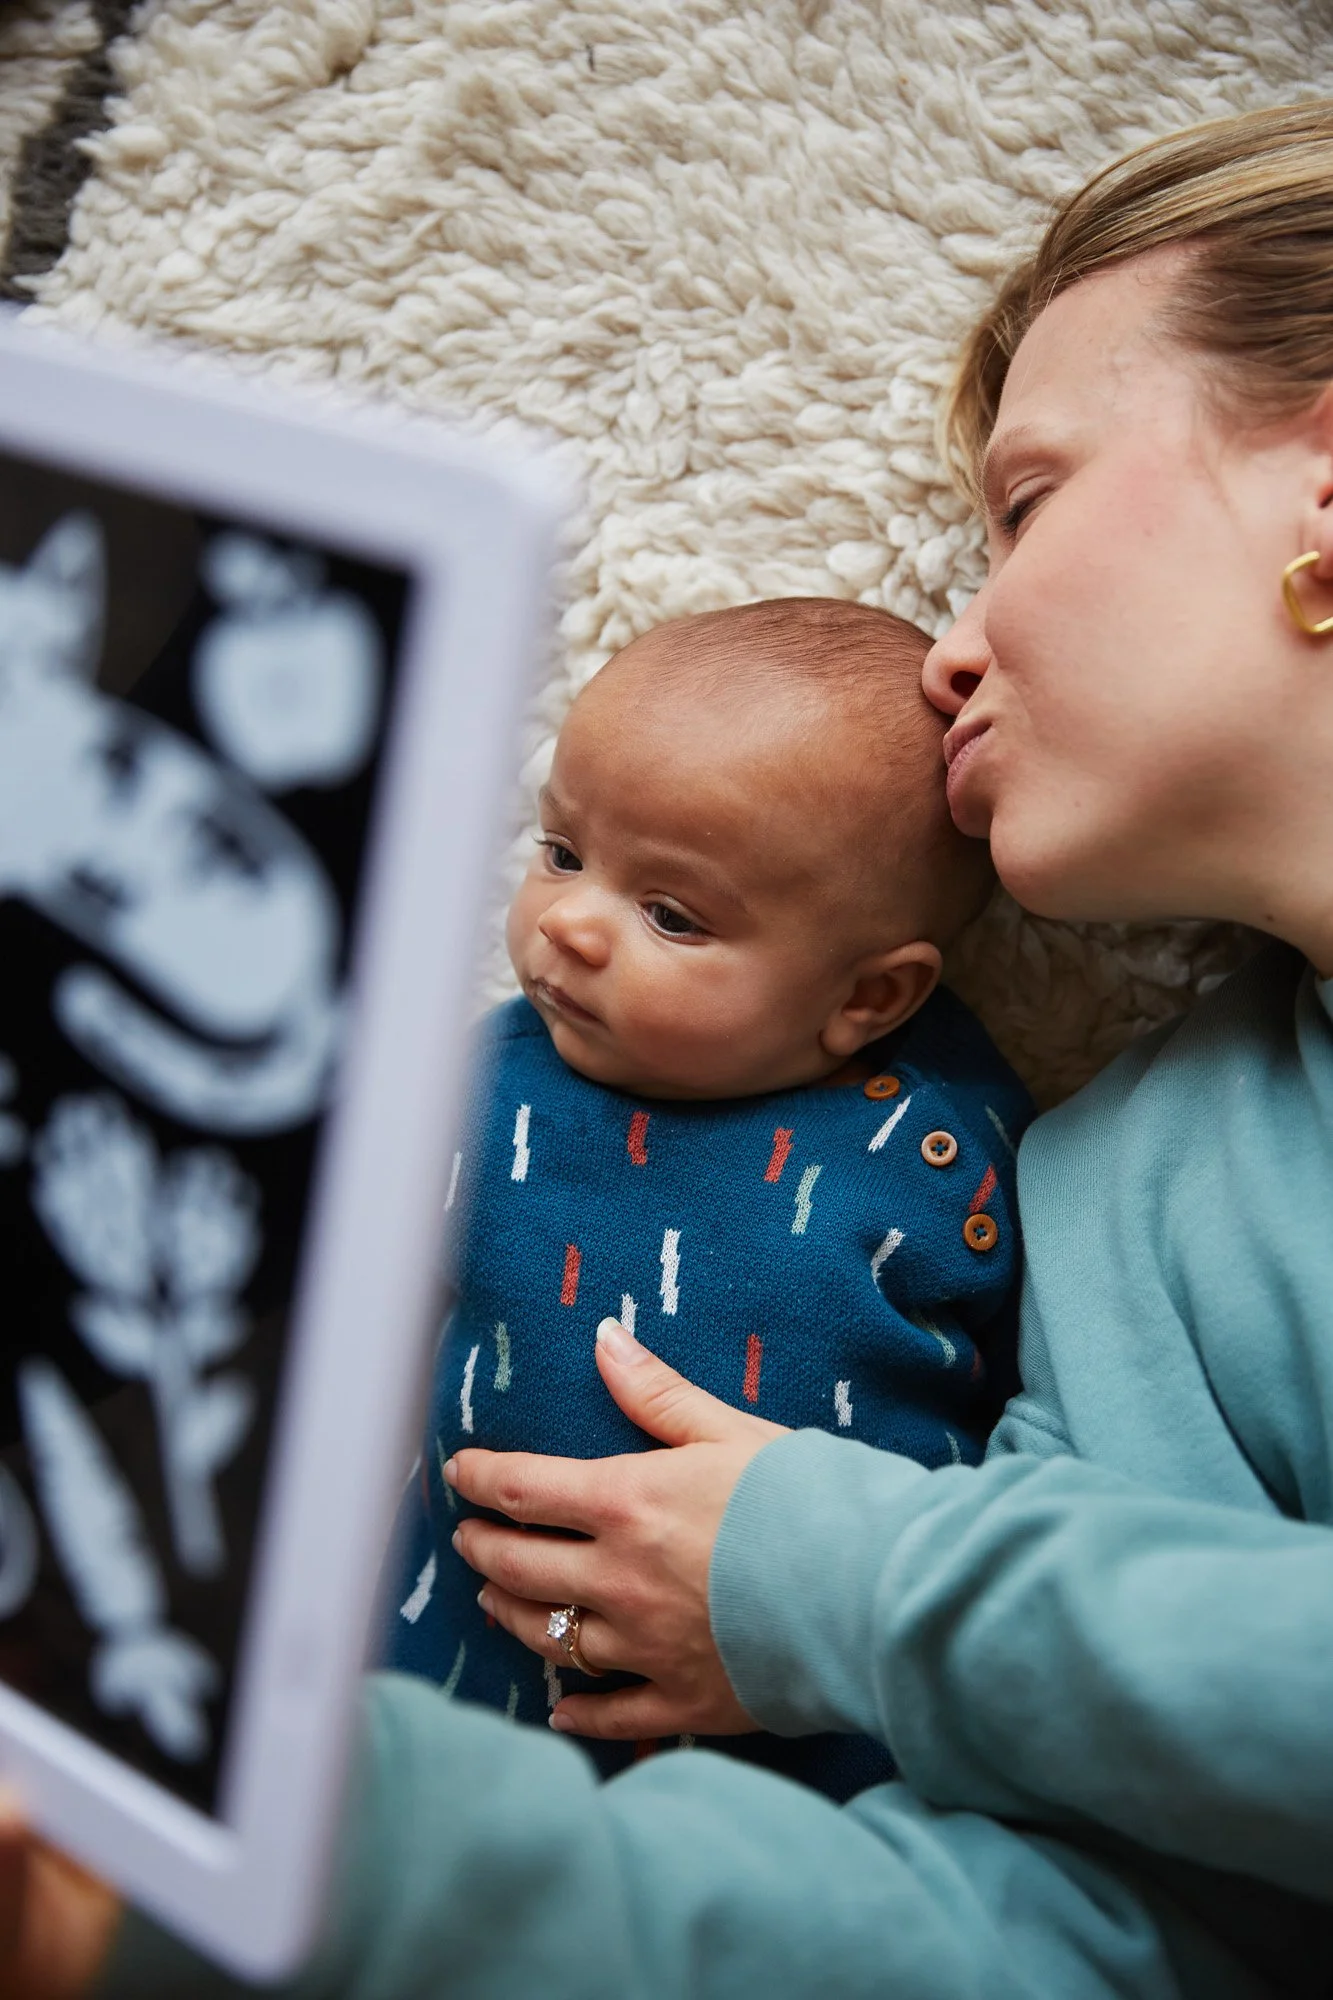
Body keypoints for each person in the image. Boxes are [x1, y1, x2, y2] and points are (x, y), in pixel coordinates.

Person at [11, 95, 1333, 2000]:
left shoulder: (903, 1512)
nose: (943, 651)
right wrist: (226, 1859)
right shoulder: (1131, 1192)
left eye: (1027, 507)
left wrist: (855, 1586)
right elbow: (1088, 1946)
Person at [383, 598, 1030, 1800]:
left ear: (866, 999)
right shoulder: (477, 1077)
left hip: (808, 1742)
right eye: (562, 851)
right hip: (457, 1669)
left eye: (670, 914)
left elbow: (1027, 1418)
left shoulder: (942, 1149)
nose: (568, 922)